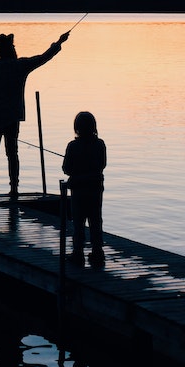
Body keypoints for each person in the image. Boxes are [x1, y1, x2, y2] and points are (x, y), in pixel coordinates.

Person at [0, 31, 69, 200]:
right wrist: (59, 42)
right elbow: (44, 57)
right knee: (12, 154)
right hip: (12, 119)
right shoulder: (20, 66)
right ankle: (14, 189)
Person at [62, 111, 106, 266]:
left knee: (78, 222)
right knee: (95, 221)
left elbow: (66, 169)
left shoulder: (73, 146)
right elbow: (102, 164)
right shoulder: (100, 144)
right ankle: (98, 251)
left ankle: (78, 252)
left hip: (79, 190)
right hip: (95, 189)